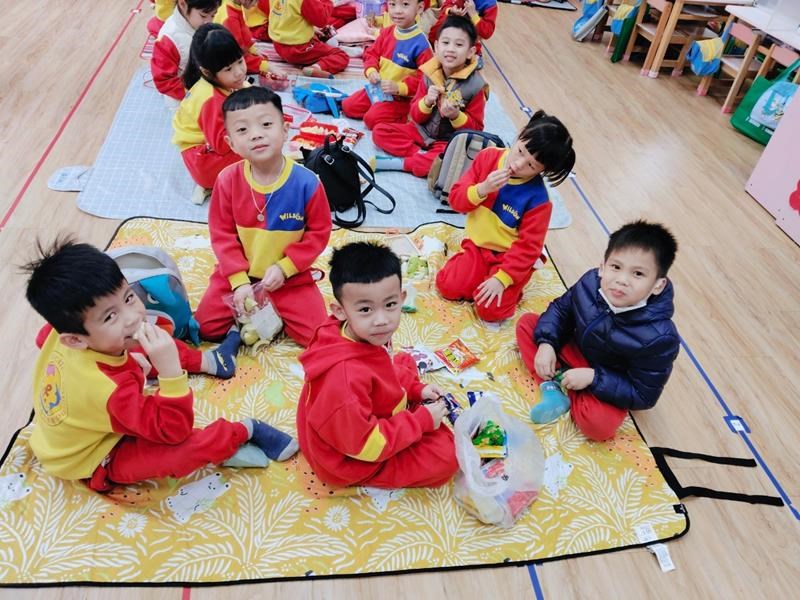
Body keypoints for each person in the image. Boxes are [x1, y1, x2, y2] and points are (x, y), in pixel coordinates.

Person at [22, 239, 299, 492]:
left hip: (85, 420)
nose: (133, 316)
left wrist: (125, 354)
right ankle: (245, 430)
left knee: (146, 340)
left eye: (128, 297)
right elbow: (173, 430)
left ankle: (212, 361)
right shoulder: (111, 392)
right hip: (96, 456)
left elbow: (41, 338)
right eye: (109, 317)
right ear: (74, 340)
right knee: (179, 453)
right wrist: (170, 372)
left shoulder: (60, 334)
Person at [296, 242, 459, 489]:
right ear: (340, 311)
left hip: (350, 417)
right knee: (447, 457)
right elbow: (366, 445)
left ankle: (411, 404)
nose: (381, 320)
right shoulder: (345, 382)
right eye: (365, 309)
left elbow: (381, 367)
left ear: (402, 299)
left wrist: (417, 390)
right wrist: (420, 422)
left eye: (390, 305)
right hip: (349, 458)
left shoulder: (361, 332)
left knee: (404, 362)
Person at [516, 220, 681, 441]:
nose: (621, 280)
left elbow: (643, 394)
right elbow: (561, 310)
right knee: (527, 325)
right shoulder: (590, 282)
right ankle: (552, 389)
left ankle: (564, 383)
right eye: (616, 267)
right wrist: (547, 344)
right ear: (602, 266)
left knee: (598, 426)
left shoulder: (660, 338)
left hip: (607, 375)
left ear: (658, 285)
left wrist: (593, 378)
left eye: (638, 274)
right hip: (577, 350)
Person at [194, 86, 332, 346]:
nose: (256, 134)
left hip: (289, 278)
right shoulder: (227, 180)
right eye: (242, 130)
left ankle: (269, 312)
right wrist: (238, 281)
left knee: (317, 337)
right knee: (206, 329)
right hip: (237, 275)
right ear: (231, 143)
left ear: (285, 129)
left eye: (266, 124)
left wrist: (285, 268)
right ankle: (256, 316)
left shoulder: (307, 183)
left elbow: (318, 234)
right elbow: (222, 236)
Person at [435, 110, 575, 322]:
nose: (518, 164)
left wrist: (502, 279)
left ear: (542, 171)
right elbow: (456, 200)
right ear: (520, 135)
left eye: (531, 165)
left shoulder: (539, 201)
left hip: (508, 256)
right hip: (478, 246)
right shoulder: (487, 157)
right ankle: (477, 271)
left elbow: (528, 247)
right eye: (520, 151)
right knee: (447, 286)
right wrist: (482, 189)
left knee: (489, 311)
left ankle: (516, 284)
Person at [371, 15, 488, 178]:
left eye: (459, 44)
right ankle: (420, 155)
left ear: (471, 52)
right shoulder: (428, 73)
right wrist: (426, 102)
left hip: (447, 141)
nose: (451, 49)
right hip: (421, 131)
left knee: (447, 160)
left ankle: (404, 163)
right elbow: (415, 115)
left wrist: (456, 116)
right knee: (380, 131)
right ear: (437, 46)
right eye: (446, 43)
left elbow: (476, 131)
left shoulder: (476, 86)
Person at [172, 23, 249, 204]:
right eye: (228, 69)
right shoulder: (212, 101)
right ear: (207, 72)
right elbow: (222, 145)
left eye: (240, 61)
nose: (239, 72)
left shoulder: (216, 84)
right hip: (203, 163)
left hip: (201, 155)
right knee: (261, 150)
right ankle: (213, 183)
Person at [341, 0, 433, 130]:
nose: (397, 11)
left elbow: (426, 79)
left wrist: (399, 87)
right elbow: (371, 54)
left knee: (371, 119)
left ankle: (408, 116)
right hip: (378, 89)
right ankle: (378, 108)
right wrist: (371, 70)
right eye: (392, 5)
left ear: (419, 8)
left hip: (400, 99)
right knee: (348, 106)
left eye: (405, 4)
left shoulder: (422, 44)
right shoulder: (386, 32)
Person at [151, 0, 221, 106]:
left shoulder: (200, 21)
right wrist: (193, 96)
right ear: (183, 4)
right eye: (203, 15)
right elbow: (164, 81)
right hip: (183, 95)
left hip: (204, 81)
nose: (209, 21)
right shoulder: (169, 38)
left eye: (213, 15)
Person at [267, 0, 349, 77]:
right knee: (341, 55)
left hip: (278, 45)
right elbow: (322, 20)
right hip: (298, 49)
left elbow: (288, 15)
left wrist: (310, 28)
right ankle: (316, 67)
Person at [214, 0, 275, 75]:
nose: (256, 4)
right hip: (229, 63)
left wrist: (253, 50)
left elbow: (243, 36)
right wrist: (265, 66)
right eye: (255, 0)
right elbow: (236, 56)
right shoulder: (230, 18)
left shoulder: (233, 5)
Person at [427, 0, 497, 60]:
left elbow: (487, 32)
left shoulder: (490, 5)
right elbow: (446, 6)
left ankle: (475, 55)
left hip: (466, 40)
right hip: (444, 34)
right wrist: (451, 10)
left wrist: (473, 14)